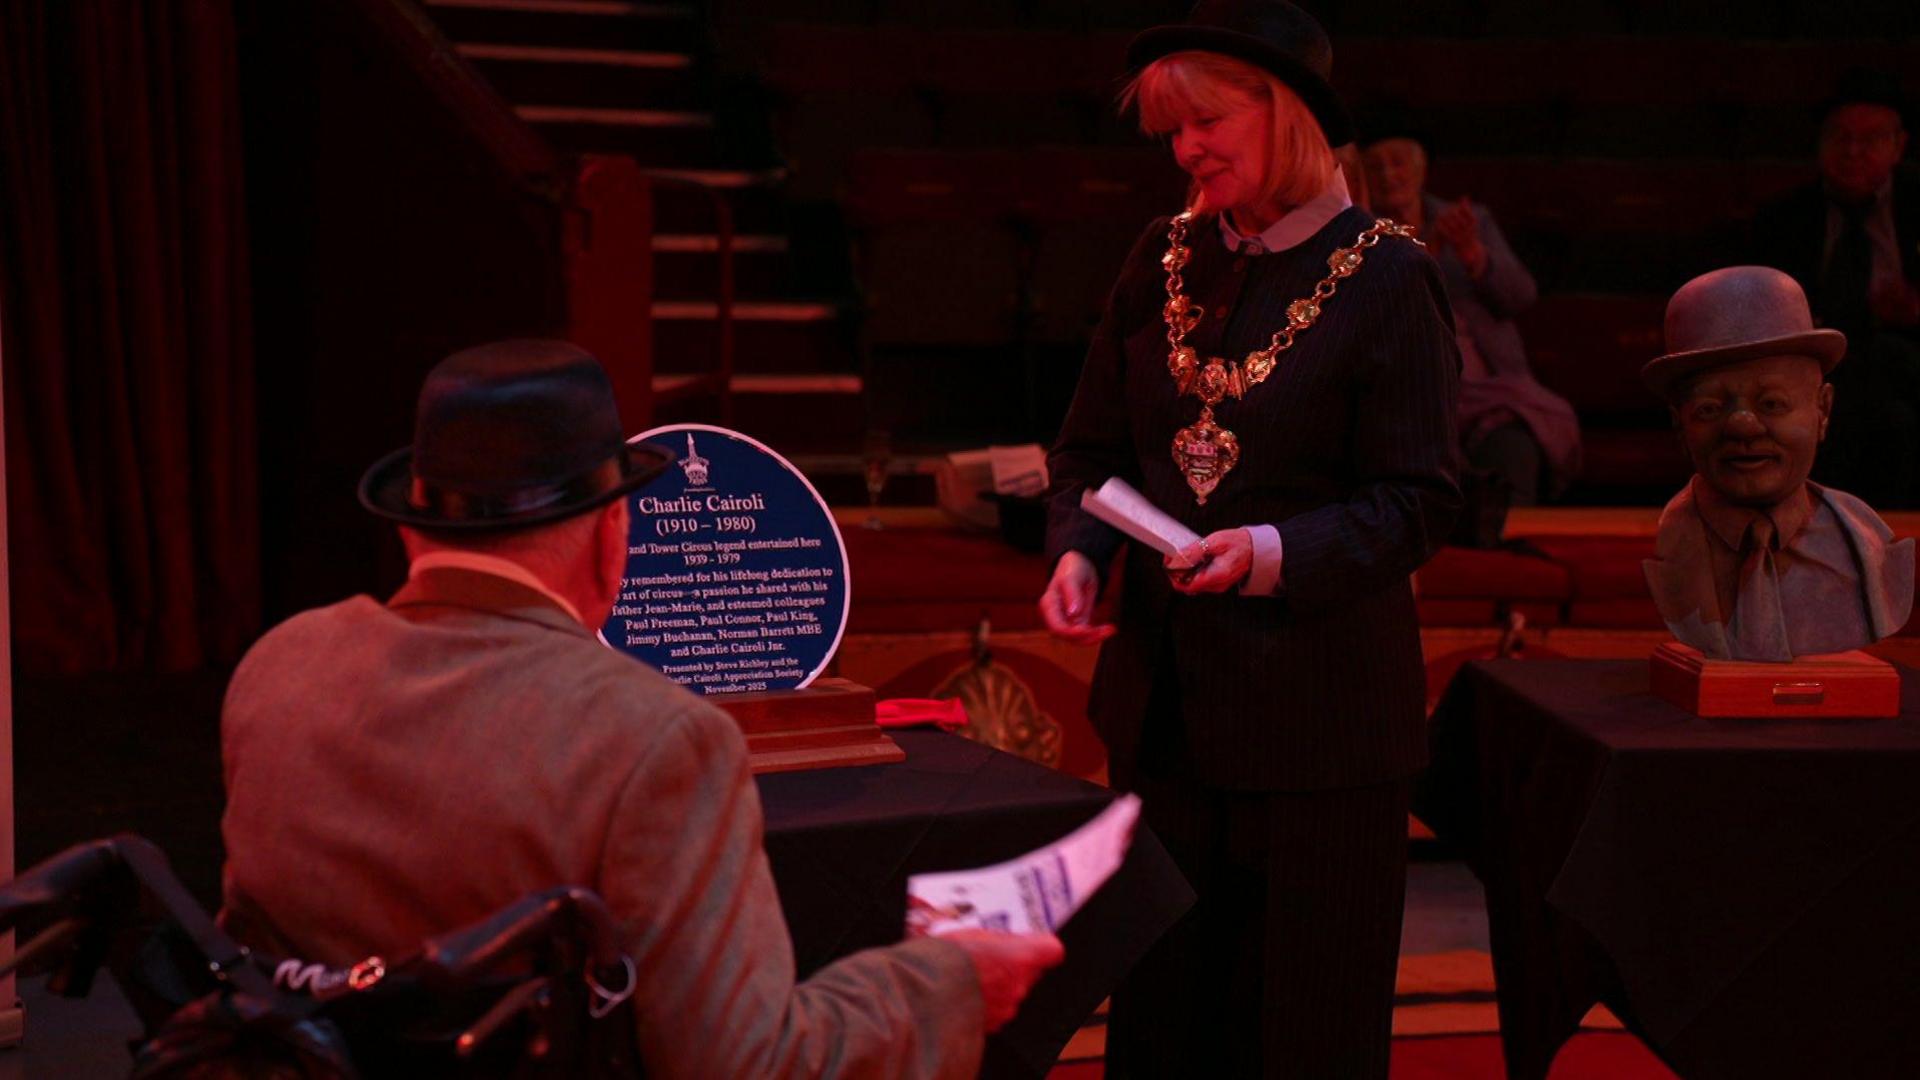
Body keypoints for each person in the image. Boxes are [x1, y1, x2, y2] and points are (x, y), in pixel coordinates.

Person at [220, 340, 1063, 1077]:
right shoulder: (657, 738)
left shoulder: (277, 669)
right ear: (613, 533)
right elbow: (747, 1066)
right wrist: (947, 982)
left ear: (412, 530)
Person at [1037, 2, 1462, 1075]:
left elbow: (1418, 500)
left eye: (1207, 122)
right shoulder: (1161, 255)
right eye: (1171, 131)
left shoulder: (1390, 276)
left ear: (1289, 117)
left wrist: (1271, 553)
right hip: (1167, 722)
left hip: (1322, 739)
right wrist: (1080, 552)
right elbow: (1086, 453)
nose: (1185, 151)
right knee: (1162, 1028)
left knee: (1299, 1037)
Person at [1640, 267, 1913, 660]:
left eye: (1771, 403)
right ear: (1679, 426)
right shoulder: (1675, 544)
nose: (1742, 426)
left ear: (1823, 409)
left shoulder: (1868, 548)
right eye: (1709, 409)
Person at [1362, 126, 1581, 504]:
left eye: (1397, 162)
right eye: (1375, 167)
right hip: (1409, 389)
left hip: (1488, 390)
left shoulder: (1466, 219)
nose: (1387, 176)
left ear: (1421, 168)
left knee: (1513, 450)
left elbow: (1521, 296)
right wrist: (1427, 252)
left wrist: (1473, 254)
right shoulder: (1360, 235)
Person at [1752, 67, 1920, 507]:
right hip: (1813, 367)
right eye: (1839, 138)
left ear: (1899, 146)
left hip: (1906, 367)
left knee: (1892, 398)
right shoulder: (1783, 220)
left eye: (1870, 140)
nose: (1852, 152)